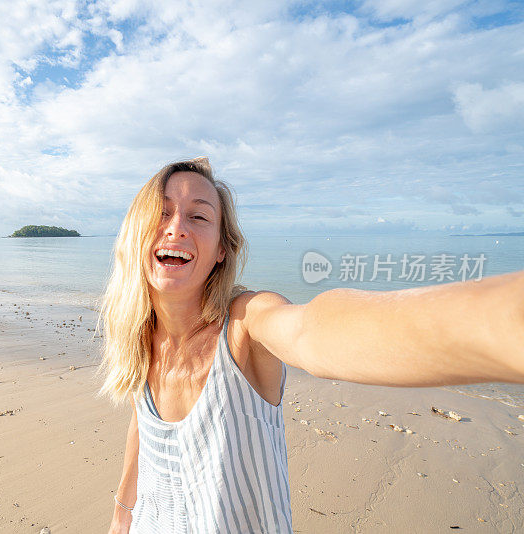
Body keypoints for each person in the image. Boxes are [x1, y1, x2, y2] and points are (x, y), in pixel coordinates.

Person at [96, 157, 524, 534]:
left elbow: (313, 333)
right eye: (162, 212)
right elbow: (144, 426)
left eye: (199, 217)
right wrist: (122, 512)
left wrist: (501, 325)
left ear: (223, 250)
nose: (176, 227)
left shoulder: (245, 327)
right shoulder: (143, 340)